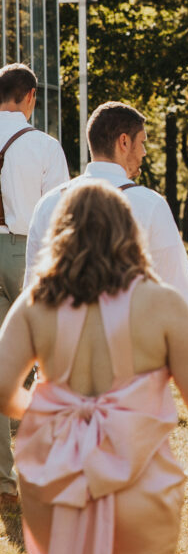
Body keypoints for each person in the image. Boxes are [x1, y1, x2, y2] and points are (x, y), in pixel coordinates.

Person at [0, 180, 188, 554]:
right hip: (141, 485)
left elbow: (1, 388)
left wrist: (50, 409)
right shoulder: (162, 302)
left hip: (55, 482)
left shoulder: (36, 302)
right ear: (128, 232)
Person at [25, 101, 188, 345]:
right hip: (128, 356)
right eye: (142, 142)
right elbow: (176, 287)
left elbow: (33, 288)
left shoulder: (47, 204)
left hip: (61, 353)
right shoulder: (150, 204)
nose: (144, 152)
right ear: (124, 142)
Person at [0, 62, 69, 506]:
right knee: (38, 360)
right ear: (30, 97)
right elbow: (61, 216)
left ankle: (2, 481)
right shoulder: (45, 146)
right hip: (27, 252)